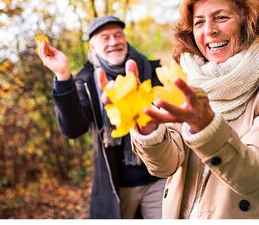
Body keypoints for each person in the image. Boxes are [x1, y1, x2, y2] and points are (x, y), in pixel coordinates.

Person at [101, 0, 259, 218]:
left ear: (248, 21)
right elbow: (165, 165)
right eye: (199, 22)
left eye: (220, 17)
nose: (209, 30)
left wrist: (206, 126)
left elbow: (254, 174)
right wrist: (147, 127)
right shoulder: (187, 83)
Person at [37, 15, 165, 219]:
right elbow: (73, 129)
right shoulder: (85, 81)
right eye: (104, 38)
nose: (113, 42)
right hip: (116, 186)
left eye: (117, 35)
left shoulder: (151, 69)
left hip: (159, 178)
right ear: (93, 46)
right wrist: (63, 75)